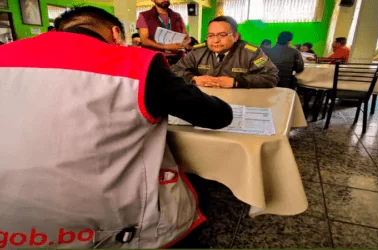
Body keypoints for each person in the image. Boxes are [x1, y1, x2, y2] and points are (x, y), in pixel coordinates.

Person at [0, 5, 233, 249]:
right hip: (110, 223)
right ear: (115, 34)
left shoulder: (5, 54)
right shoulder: (134, 63)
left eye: (221, 35)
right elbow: (217, 116)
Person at [171, 16, 279, 88]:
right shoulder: (198, 52)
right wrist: (193, 79)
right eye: (210, 35)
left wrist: (236, 82)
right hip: (205, 101)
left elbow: (271, 76)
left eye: (222, 35)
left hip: (239, 101)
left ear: (235, 36)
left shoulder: (252, 53)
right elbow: (174, 70)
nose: (215, 40)